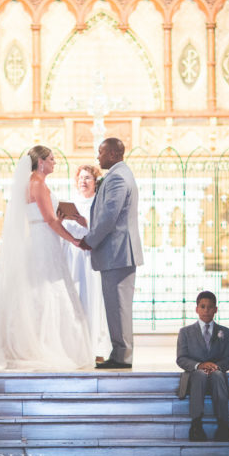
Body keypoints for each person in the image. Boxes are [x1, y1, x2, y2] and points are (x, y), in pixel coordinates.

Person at [0, 145, 94, 371]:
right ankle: (44, 344)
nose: (54, 162)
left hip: (42, 238)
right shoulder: (37, 183)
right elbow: (50, 220)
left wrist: (67, 217)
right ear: (40, 162)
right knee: (47, 291)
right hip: (43, 240)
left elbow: (48, 216)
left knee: (44, 291)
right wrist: (74, 240)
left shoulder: (32, 182)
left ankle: (36, 339)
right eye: (51, 159)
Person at [80, 138, 143, 370]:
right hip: (117, 253)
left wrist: (90, 240)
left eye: (101, 153)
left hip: (117, 252)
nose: (98, 157)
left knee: (119, 307)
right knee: (117, 307)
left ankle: (122, 356)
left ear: (115, 154)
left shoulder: (117, 177)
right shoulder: (120, 173)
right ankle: (119, 352)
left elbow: (109, 216)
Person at [61, 164, 112, 360]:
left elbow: (103, 230)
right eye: (81, 178)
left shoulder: (99, 204)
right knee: (73, 299)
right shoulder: (71, 202)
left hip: (90, 256)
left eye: (88, 178)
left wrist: (86, 223)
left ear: (95, 183)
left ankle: (95, 347)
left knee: (91, 298)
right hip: (72, 256)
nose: (83, 181)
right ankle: (74, 347)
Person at [176, 291, 229, 442]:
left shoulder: (226, 333)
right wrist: (200, 365)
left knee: (217, 375)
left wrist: (215, 366)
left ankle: (223, 426)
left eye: (210, 307)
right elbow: (181, 359)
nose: (206, 310)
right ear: (197, 309)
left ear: (216, 309)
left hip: (217, 375)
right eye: (202, 306)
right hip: (195, 376)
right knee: (200, 374)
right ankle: (196, 425)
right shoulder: (185, 332)